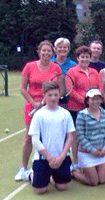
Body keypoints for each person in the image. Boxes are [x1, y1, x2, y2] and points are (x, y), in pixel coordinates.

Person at [15, 40, 62, 181]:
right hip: (32, 106)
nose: (46, 53)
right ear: (39, 51)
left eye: (49, 51)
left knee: (48, 137)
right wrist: (33, 103)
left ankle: (50, 166)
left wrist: (50, 102)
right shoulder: (29, 66)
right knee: (29, 138)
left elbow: (58, 90)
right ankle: (23, 168)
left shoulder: (56, 68)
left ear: (52, 53)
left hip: (49, 107)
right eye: (44, 50)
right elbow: (22, 88)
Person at [26, 81, 75, 194]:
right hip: (43, 158)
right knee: (40, 190)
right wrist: (49, 158)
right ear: (44, 96)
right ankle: (30, 174)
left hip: (61, 157)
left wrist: (62, 156)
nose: (53, 98)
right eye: (50, 95)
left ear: (59, 95)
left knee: (62, 187)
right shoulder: (38, 115)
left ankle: (51, 177)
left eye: (56, 95)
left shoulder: (65, 114)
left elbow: (70, 138)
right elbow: (35, 140)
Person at [66, 45, 103, 169]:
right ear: (77, 58)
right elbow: (70, 90)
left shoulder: (94, 72)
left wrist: (94, 102)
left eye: (87, 57)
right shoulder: (71, 71)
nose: (85, 59)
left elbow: (99, 88)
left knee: (90, 135)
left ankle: (90, 161)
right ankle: (75, 163)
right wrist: (85, 101)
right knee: (76, 137)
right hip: (76, 109)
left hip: (92, 109)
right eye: (82, 57)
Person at [72, 89, 105, 186]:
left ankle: (90, 171)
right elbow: (80, 136)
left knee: (102, 180)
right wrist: (92, 150)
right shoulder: (81, 115)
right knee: (94, 182)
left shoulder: (104, 113)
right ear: (87, 100)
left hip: (101, 153)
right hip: (86, 153)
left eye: (97, 99)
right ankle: (74, 172)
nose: (95, 101)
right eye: (92, 99)